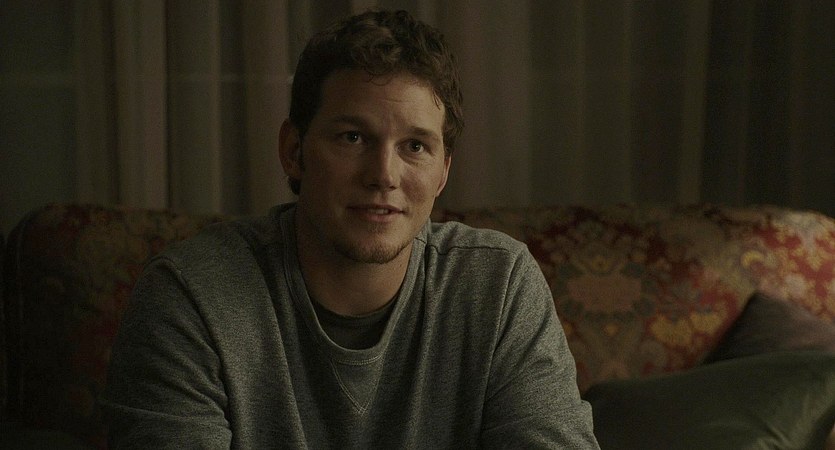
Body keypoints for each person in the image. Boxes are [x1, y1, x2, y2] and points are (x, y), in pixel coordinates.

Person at [102, 9, 599, 449]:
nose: (383, 175)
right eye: (352, 137)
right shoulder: (192, 296)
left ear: (443, 172)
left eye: (415, 146)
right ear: (293, 151)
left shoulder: (499, 286)